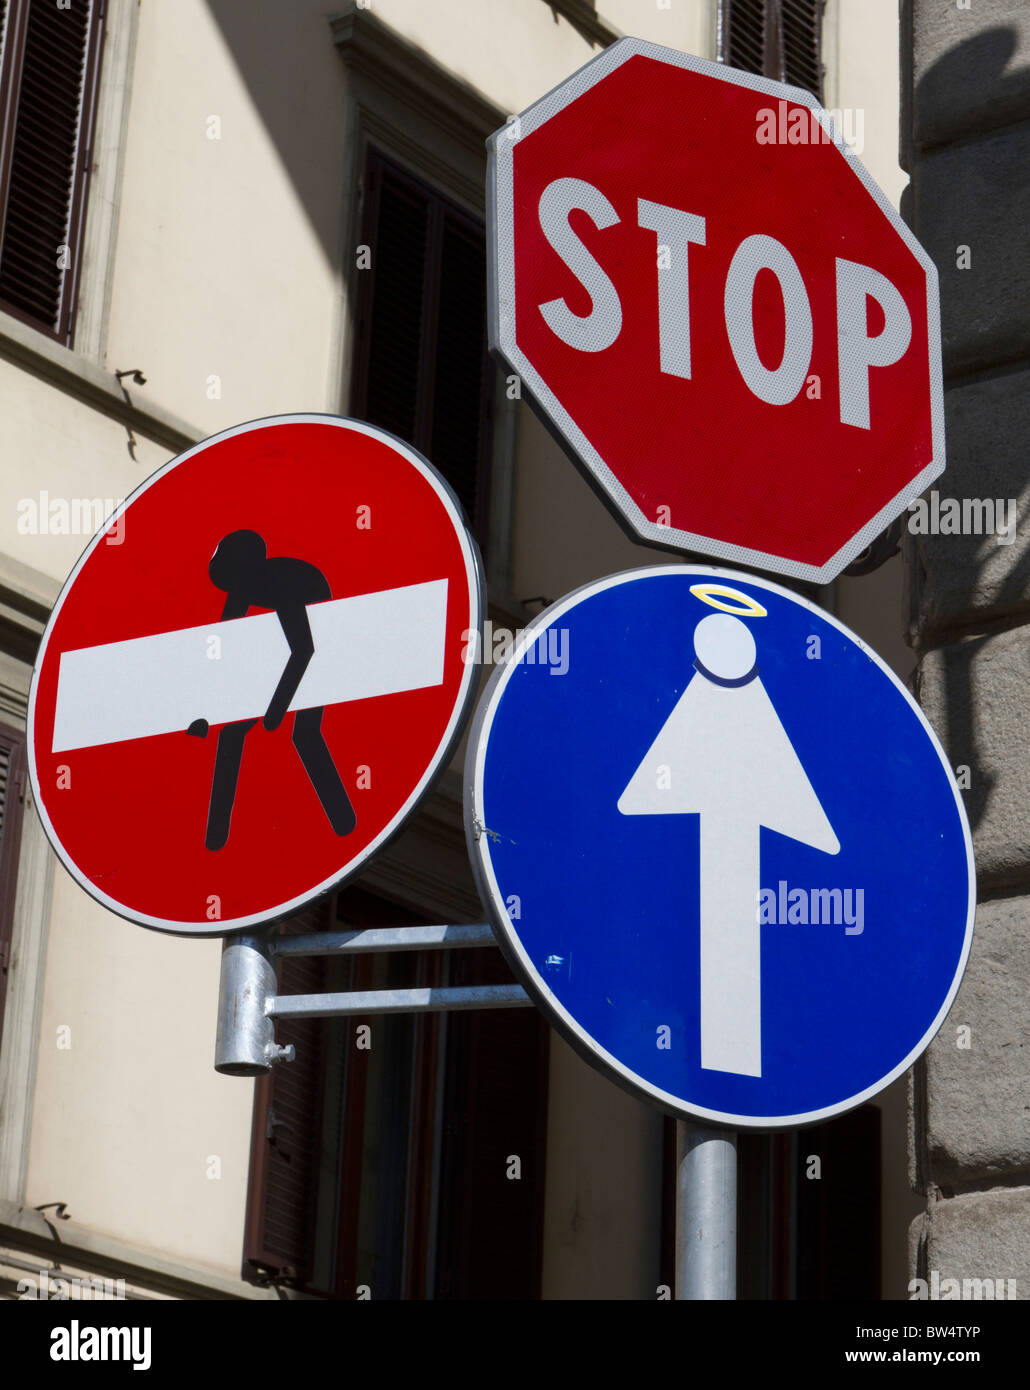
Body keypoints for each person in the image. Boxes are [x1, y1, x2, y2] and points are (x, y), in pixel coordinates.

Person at [191, 529, 356, 850]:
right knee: (232, 733)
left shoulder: (285, 585)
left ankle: (345, 824)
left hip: (322, 638)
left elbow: (305, 650)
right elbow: (223, 645)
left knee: (305, 733)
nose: (232, 591)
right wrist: (204, 712)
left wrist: (276, 709)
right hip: (281, 645)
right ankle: (214, 841)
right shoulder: (243, 585)